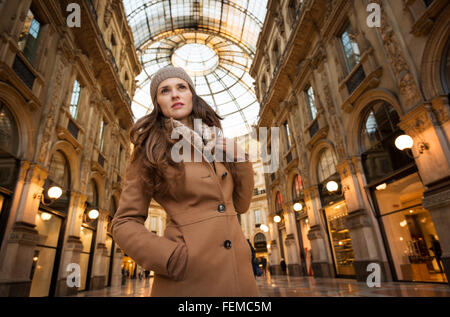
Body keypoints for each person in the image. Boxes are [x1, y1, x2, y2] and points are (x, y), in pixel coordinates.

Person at [111, 66, 258, 297]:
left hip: (239, 276)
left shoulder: (217, 142)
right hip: (189, 279)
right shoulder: (150, 148)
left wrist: (240, 159)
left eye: (182, 87)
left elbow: (241, 205)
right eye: (165, 90)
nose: (175, 94)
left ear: (192, 94)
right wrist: (171, 258)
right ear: (158, 102)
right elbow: (123, 223)